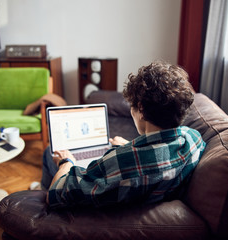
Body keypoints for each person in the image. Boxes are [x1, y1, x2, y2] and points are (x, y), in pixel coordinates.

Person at [38, 61, 206, 209]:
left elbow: (56, 194)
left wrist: (66, 162)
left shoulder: (120, 161)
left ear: (140, 109)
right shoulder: (193, 138)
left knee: (49, 153)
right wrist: (129, 146)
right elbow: (159, 153)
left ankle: (38, 195)